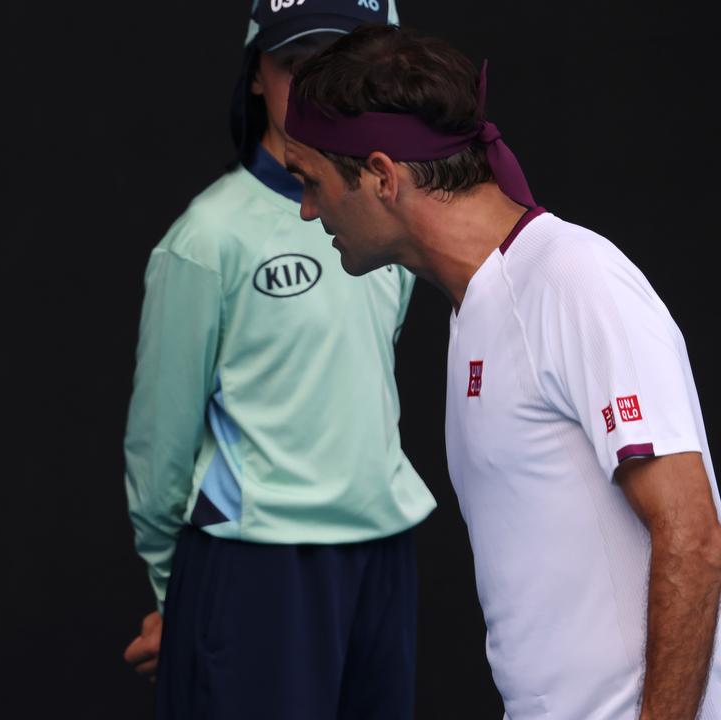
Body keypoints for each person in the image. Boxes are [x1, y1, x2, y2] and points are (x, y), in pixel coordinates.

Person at [283, 24, 721, 719]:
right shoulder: (479, 307)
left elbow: (693, 533)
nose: (307, 210)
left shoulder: (575, 278)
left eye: (311, 183)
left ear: (382, 177)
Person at [121, 2, 436, 717]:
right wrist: (180, 599)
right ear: (257, 74)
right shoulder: (208, 236)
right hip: (257, 564)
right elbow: (158, 447)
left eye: (344, 64)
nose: (321, 88)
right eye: (297, 65)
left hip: (382, 550)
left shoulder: (391, 220)